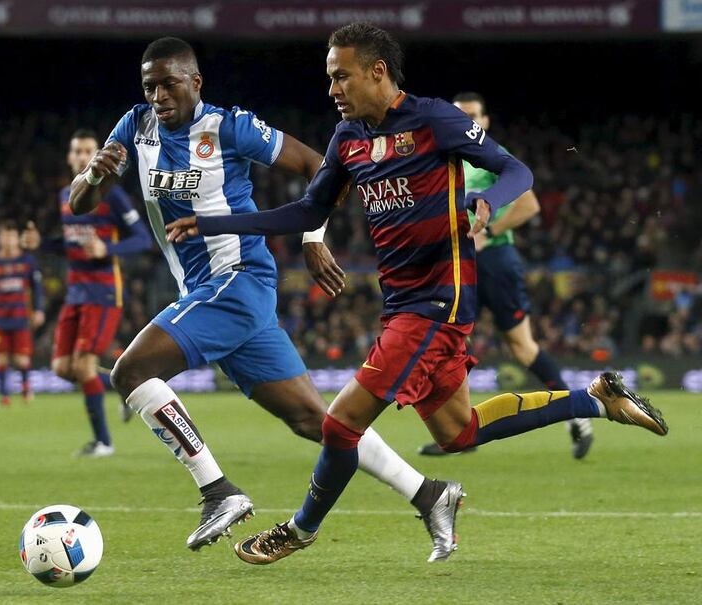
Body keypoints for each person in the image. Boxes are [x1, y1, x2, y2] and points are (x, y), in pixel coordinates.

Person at [165, 22, 668, 564]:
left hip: (439, 300)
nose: (332, 89)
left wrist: (488, 202)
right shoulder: (348, 138)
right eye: (329, 78)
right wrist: (220, 222)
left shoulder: (433, 120)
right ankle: (595, 399)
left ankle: (298, 530)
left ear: (377, 71)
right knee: (459, 431)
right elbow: (311, 210)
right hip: (403, 304)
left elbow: (514, 169)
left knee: (339, 425)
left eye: (342, 77)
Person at [71, 36, 453, 556]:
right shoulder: (133, 126)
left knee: (131, 372)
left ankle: (217, 491)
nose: (158, 95)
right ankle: (429, 493)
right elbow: (80, 203)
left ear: (196, 83)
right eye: (149, 86)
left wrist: (312, 237)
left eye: (169, 84)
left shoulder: (228, 127)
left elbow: (325, 170)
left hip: (236, 281)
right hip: (209, 294)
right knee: (314, 421)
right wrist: (95, 173)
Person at [419, 92, 594, 460]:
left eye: (472, 115)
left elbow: (529, 204)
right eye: (459, 115)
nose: (466, 120)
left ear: (485, 122)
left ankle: (577, 415)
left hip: (495, 262)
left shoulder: (490, 159)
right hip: (458, 263)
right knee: (449, 343)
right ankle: (457, 432)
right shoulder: (445, 159)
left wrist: (490, 231)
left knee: (521, 347)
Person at [24, 130, 153, 456]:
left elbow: (142, 239)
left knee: (82, 367)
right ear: (70, 158)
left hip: (103, 292)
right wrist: (44, 245)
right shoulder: (66, 195)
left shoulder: (112, 196)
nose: (82, 157)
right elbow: (71, 245)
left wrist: (107, 247)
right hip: (76, 293)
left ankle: (103, 443)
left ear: (98, 156)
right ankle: (122, 387)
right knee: (61, 369)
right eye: (77, 151)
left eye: (88, 151)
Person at [0, 222, 44, 407]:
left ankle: (26, 389)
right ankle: (5, 397)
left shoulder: (27, 262)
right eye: (5, 236)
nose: (8, 240)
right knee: (0, 358)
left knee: (21, 360)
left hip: (20, 317)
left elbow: (36, 289)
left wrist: (38, 310)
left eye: (12, 236)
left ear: (17, 239)